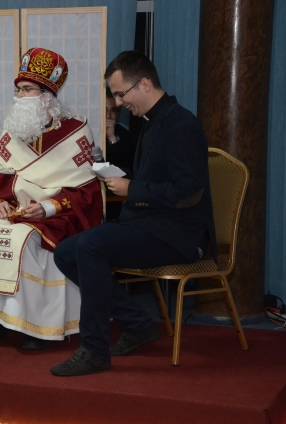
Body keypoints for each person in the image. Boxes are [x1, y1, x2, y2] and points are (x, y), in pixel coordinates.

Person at [50, 50, 217, 376]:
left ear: (144, 84)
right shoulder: (153, 122)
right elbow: (155, 181)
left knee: (90, 245)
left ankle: (94, 350)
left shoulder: (181, 124)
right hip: (152, 224)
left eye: (120, 93)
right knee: (66, 252)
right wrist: (118, 176)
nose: (118, 102)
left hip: (179, 234)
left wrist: (132, 188)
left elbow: (189, 193)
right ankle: (137, 323)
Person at [0, 48, 103, 351]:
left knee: (23, 241)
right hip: (17, 212)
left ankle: (37, 328)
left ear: (47, 96)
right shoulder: (13, 131)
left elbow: (87, 190)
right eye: (18, 90)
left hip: (58, 217)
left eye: (27, 89)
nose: (20, 96)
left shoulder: (76, 131)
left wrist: (47, 207)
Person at [104, 86, 138, 221]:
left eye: (114, 111)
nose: (108, 116)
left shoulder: (124, 135)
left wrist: (112, 139)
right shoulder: (84, 131)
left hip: (115, 197)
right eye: (105, 110)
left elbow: (127, 168)